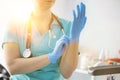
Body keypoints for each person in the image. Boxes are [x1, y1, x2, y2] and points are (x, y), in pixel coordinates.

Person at [2, 0, 87, 80]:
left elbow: (67, 73)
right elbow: (12, 67)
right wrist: (50, 57)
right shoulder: (14, 24)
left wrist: (75, 38)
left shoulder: (67, 27)